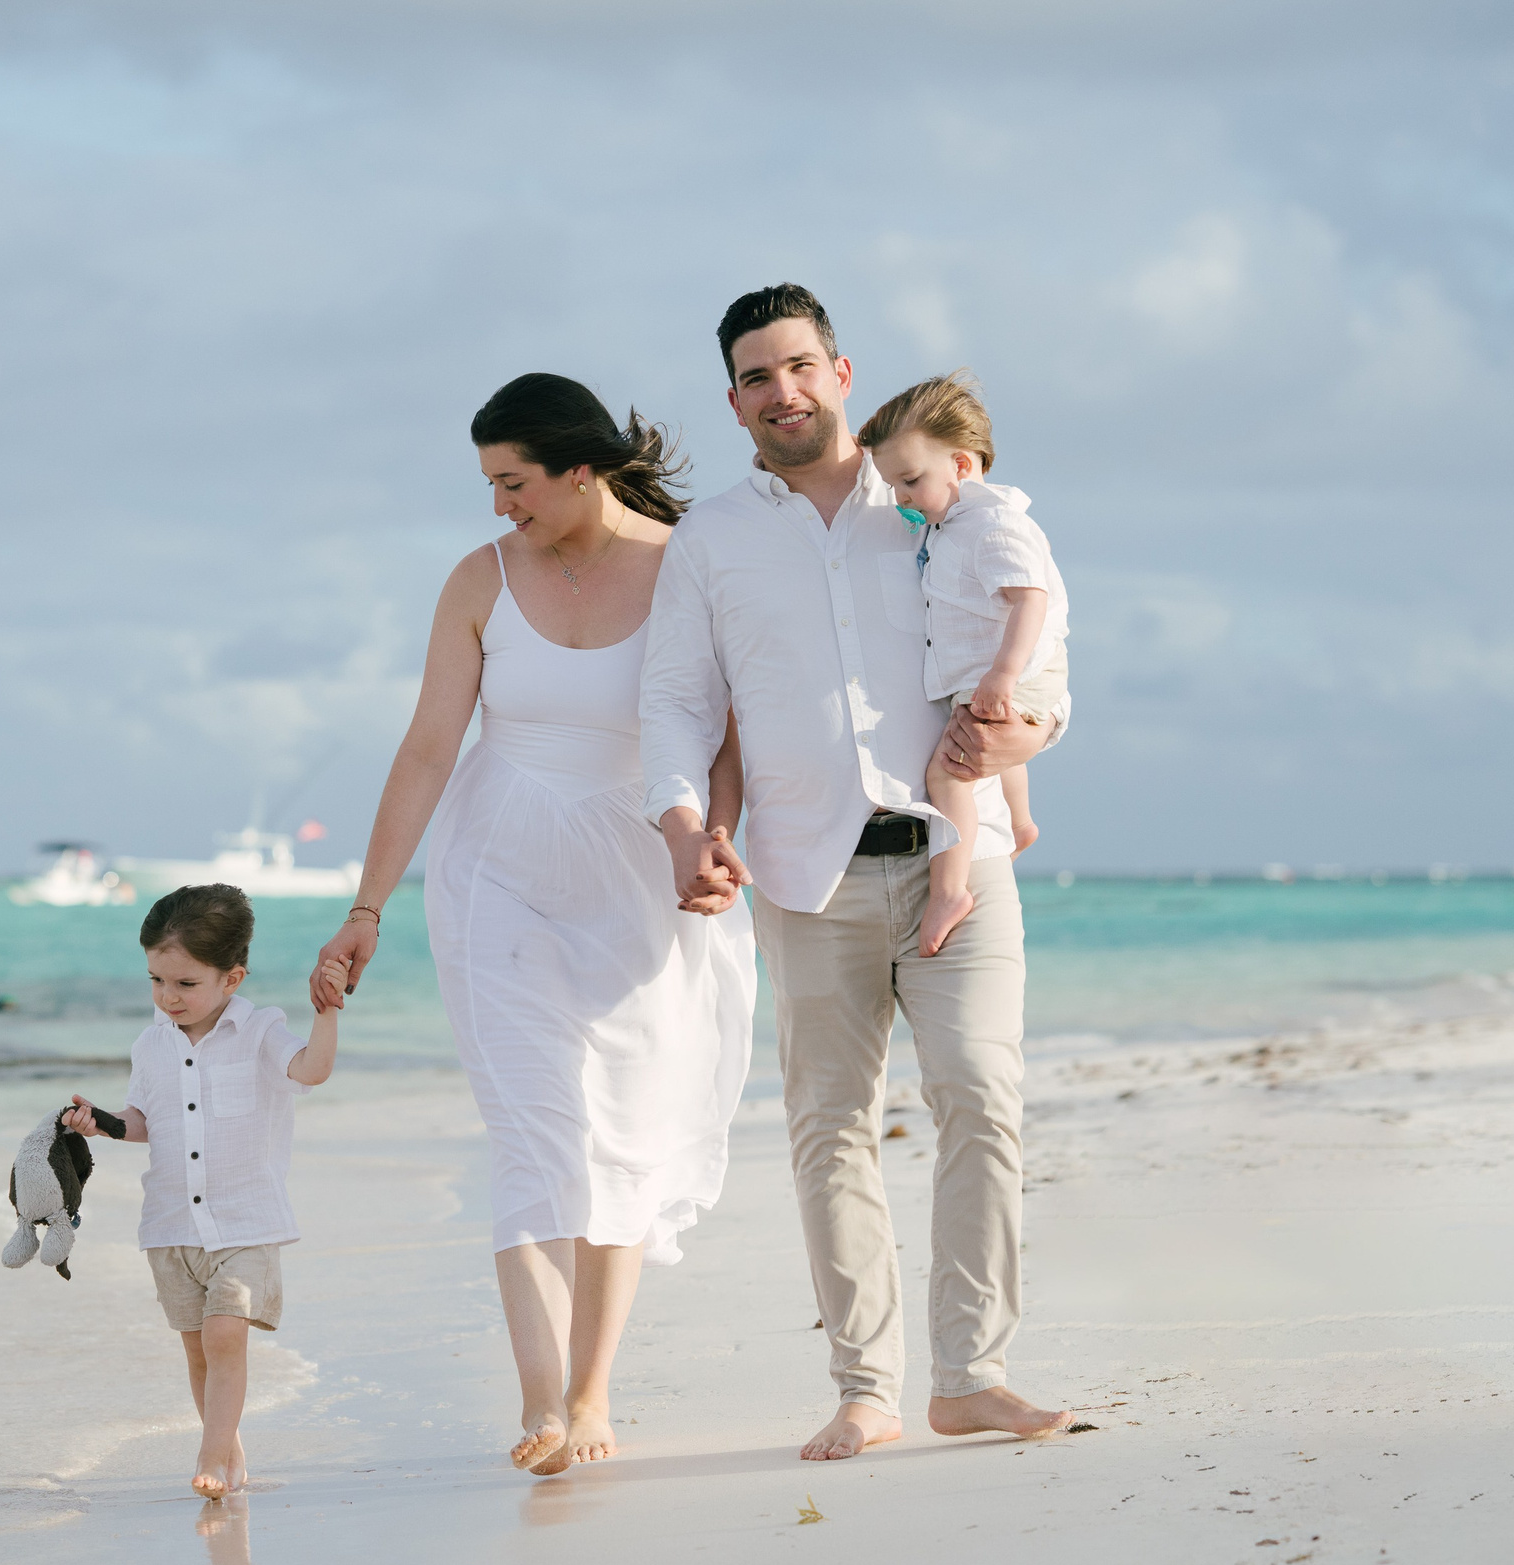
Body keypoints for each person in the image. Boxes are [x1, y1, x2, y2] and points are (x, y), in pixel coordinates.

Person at [640, 284, 1076, 1463]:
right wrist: (680, 822)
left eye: (798, 366)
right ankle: (867, 1387)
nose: (780, 391)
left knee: (980, 1094)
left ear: (839, 371)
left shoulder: (932, 491)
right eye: (755, 376)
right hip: (803, 874)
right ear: (733, 401)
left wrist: (1032, 729)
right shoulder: (711, 541)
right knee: (827, 1128)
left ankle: (972, 1376)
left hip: (958, 857)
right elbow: (676, 699)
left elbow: (1040, 645)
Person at [313, 374, 754, 1477]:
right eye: (489, 485)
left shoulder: (688, 566)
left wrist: (714, 839)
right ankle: (542, 1401)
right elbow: (429, 745)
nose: (499, 505)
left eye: (514, 482)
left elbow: (723, 732)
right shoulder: (481, 578)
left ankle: (593, 1389)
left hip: (639, 867)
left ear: (579, 468)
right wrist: (367, 905)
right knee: (532, 1129)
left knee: (621, 1132)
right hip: (496, 868)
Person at [62, 884, 347, 1500]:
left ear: (231, 978)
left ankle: (210, 1454)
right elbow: (145, 1121)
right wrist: (100, 1122)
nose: (168, 997)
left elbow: (312, 1070)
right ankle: (228, 1449)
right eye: (156, 980)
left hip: (245, 1222)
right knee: (197, 1354)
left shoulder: (261, 1031)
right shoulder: (151, 1044)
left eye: (185, 984)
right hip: (171, 1227)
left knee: (225, 1335)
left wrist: (326, 1012)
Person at [858, 373, 1071, 956]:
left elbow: (1030, 599)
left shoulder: (993, 525)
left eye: (910, 481)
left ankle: (949, 890)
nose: (900, 497)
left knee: (948, 775)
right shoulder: (950, 525)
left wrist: (1003, 674)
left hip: (1017, 670)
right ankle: (1020, 822)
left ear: (959, 464)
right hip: (996, 673)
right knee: (991, 753)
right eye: (892, 485)